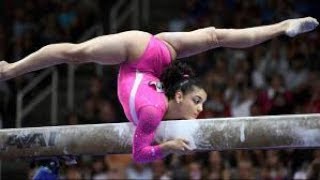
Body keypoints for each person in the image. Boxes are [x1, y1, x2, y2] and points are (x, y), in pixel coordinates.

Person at [0, 17, 318, 163]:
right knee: (76, 53)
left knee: (215, 36)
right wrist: (167, 146)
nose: (201, 111)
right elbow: (142, 153)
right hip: (145, 54)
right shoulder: (155, 110)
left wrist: (165, 145)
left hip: (150, 60)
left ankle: (282, 26)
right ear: (178, 95)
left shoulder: (155, 110)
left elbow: (141, 152)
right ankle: (11, 69)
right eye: (198, 102)